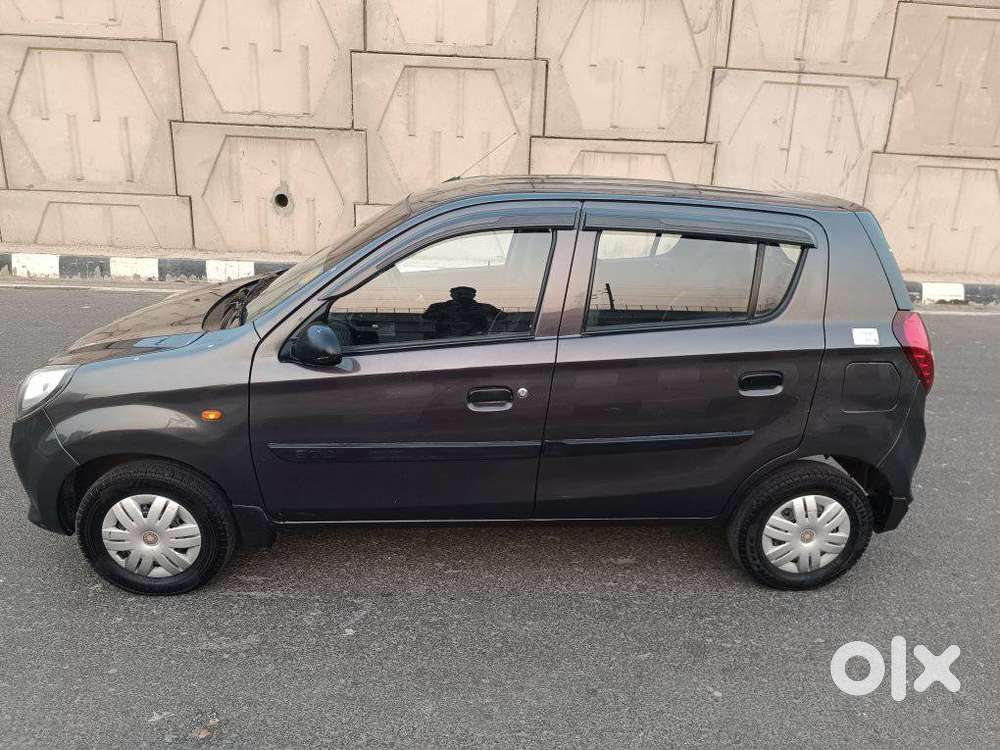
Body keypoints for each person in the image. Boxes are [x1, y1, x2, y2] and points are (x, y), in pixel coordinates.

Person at [422, 286, 505, 338]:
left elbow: (502, 316)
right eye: (459, 294)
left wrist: (483, 314)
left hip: (476, 340)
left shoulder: (484, 307)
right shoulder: (438, 307)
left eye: (466, 294)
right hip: (444, 340)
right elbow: (425, 317)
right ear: (452, 295)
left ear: (473, 296)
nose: (463, 296)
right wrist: (444, 313)